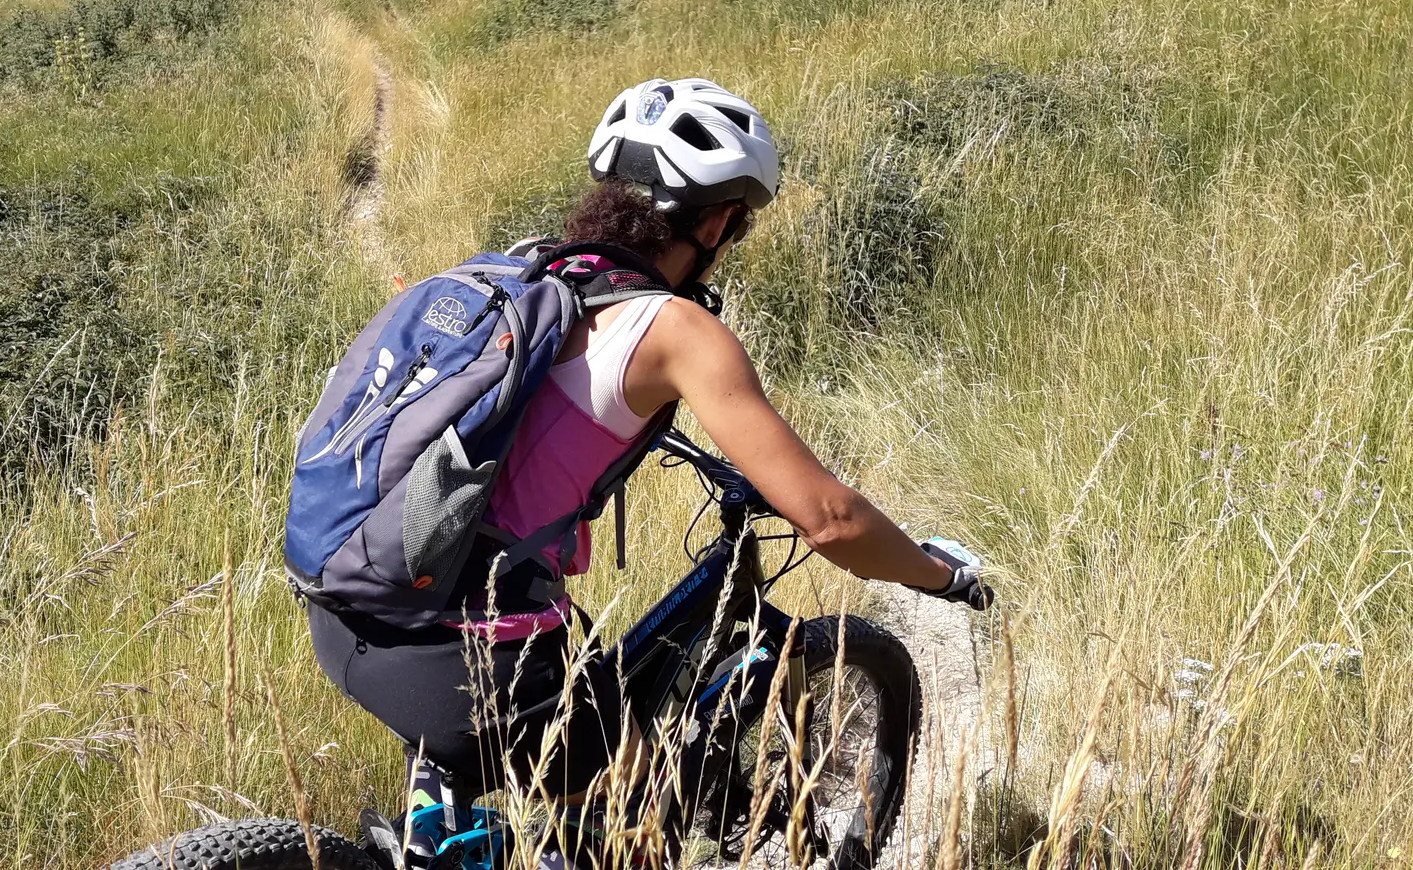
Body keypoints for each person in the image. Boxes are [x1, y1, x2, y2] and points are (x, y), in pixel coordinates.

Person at [305, 77, 992, 812]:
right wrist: (938, 577)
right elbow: (830, 519)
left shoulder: (534, 275)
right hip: (465, 652)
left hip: (344, 605)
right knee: (645, 814)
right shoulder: (674, 330)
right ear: (720, 221)